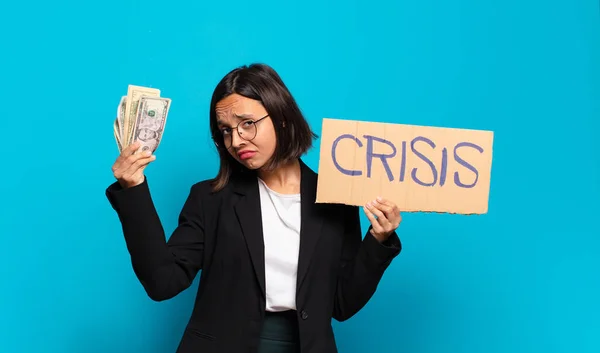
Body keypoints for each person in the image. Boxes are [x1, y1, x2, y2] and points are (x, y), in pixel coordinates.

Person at [106, 63, 403, 353]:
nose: (235, 140)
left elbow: (342, 304)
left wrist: (378, 240)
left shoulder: (334, 199)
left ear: (282, 117)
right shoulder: (210, 199)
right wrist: (133, 190)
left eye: (247, 123)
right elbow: (162, 283)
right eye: (225, 130)